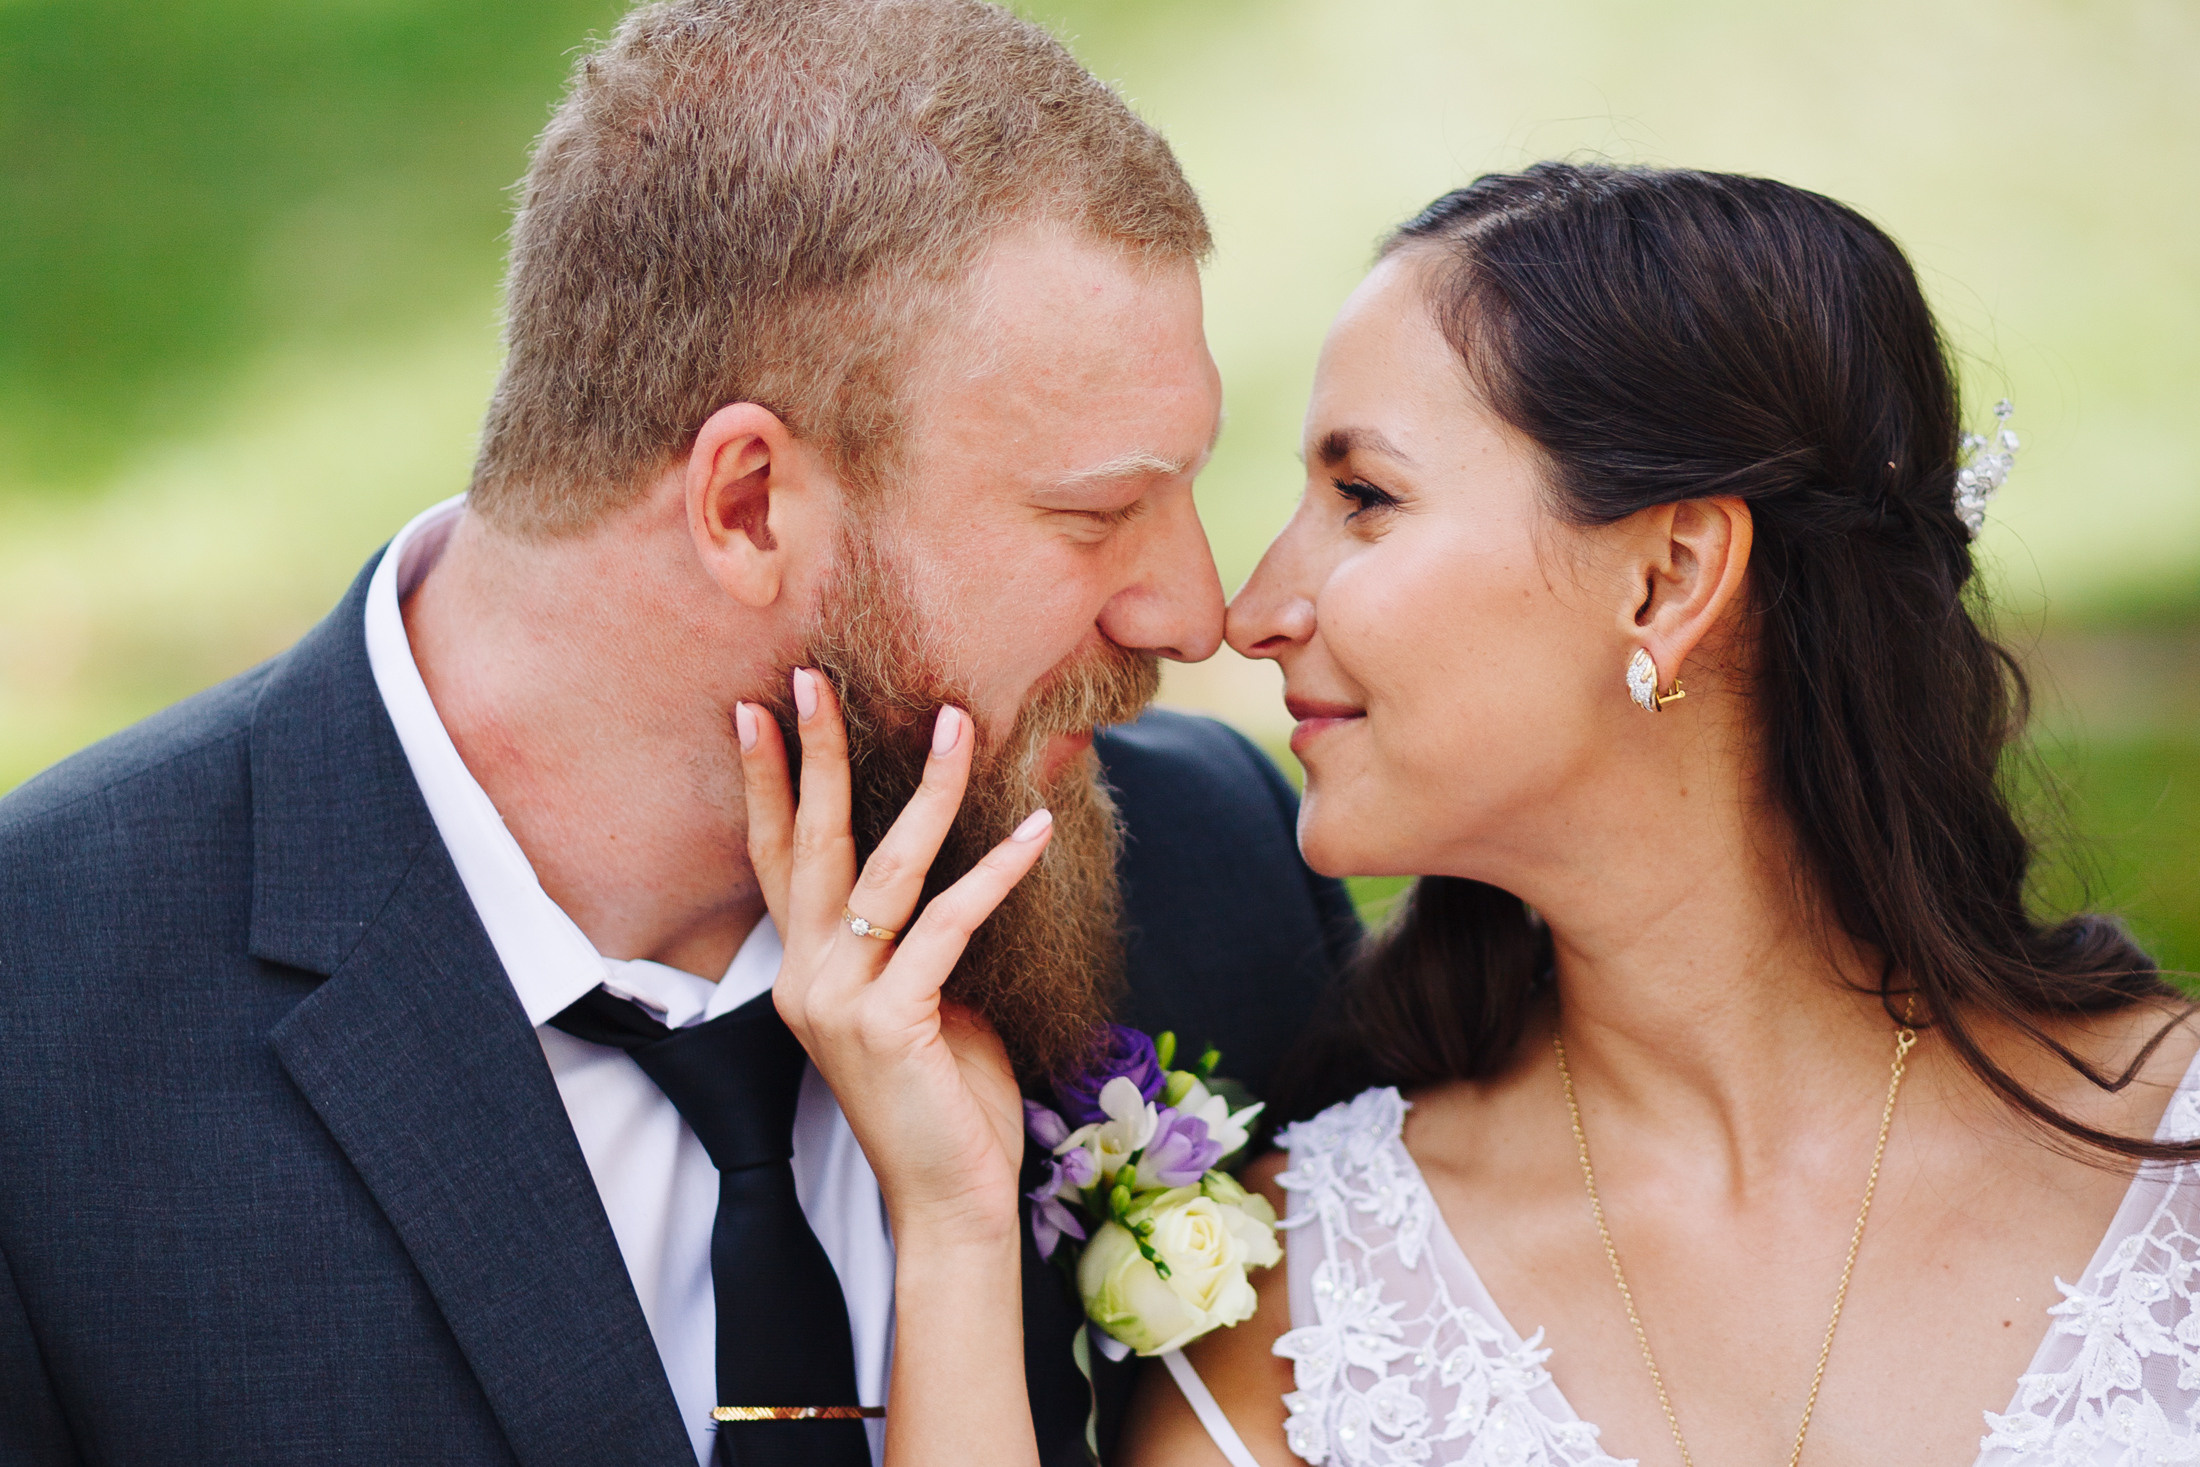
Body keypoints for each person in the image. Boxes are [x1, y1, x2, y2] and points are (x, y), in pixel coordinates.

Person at [0, 4, 1355, 1465]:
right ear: (748, 505)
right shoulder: (46, 1023)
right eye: (1096, 515)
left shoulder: (1219, 876)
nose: (1191, 612)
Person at [776, 162, 2200, 1466]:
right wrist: (956, 1225)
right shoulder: (1309, 1299)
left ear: (1665, 579)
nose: (1250, 613)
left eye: (1365, 497)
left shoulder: (2174, 1163)